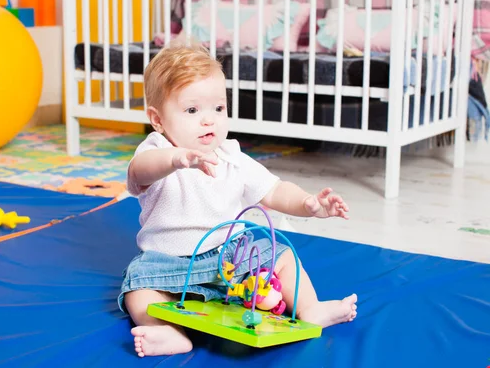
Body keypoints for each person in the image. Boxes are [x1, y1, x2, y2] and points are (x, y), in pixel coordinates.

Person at [119, 42, 357, 358]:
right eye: (192, 110)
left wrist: (308, 204)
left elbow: (274, 190)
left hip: (229, 259)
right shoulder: (156, 152)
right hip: (168, 263)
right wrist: (177, 159)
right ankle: (169, 333)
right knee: (138, 289)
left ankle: (310, 308)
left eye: (218, 108)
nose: (209, 120)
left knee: (282, 255)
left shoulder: (231, 156)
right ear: (158, 119)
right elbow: (140, 172)